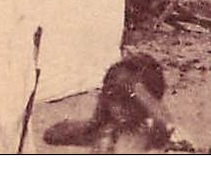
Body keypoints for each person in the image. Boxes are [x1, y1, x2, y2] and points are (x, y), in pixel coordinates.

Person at [44, 53, 186, 153]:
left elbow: (168, 126)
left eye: (127, 101)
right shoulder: (109, 130)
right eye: (112, 98)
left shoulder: (155, 131)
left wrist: (139, 92)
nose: (117, 108)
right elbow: (52, 135)